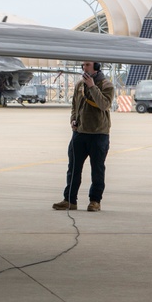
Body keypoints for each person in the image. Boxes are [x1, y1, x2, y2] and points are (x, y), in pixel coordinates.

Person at [53, 61, 114, 212]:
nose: (83, 68)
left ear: (96, 67)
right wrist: (73, 119)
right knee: (73, 168)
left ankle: (95, 201)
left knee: (97, 170)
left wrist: (92, 86)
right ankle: (69, 200)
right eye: (83, 65)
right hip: (79, 133)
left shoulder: (106, 85)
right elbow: (75, 105)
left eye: (87, 65)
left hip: (98, 134)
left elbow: (104, 104)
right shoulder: (80, 85)